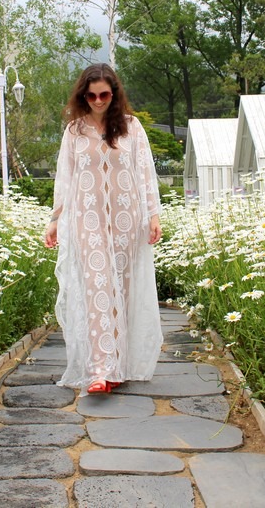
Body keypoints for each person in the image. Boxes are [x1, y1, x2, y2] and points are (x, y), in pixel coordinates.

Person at [44, 63, 163, 396]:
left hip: (126, 220)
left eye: (104, 94)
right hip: (87, 220)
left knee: (121, 292)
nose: (98, 100)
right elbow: (64, 180)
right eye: (92, 94)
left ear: (115, 94)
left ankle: (118, 366)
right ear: (84, 95)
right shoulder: (74, 131)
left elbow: (145, 174)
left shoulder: (131, 127)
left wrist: (153, 214)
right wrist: (55, 219)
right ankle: (100, 369)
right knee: (96, 287)